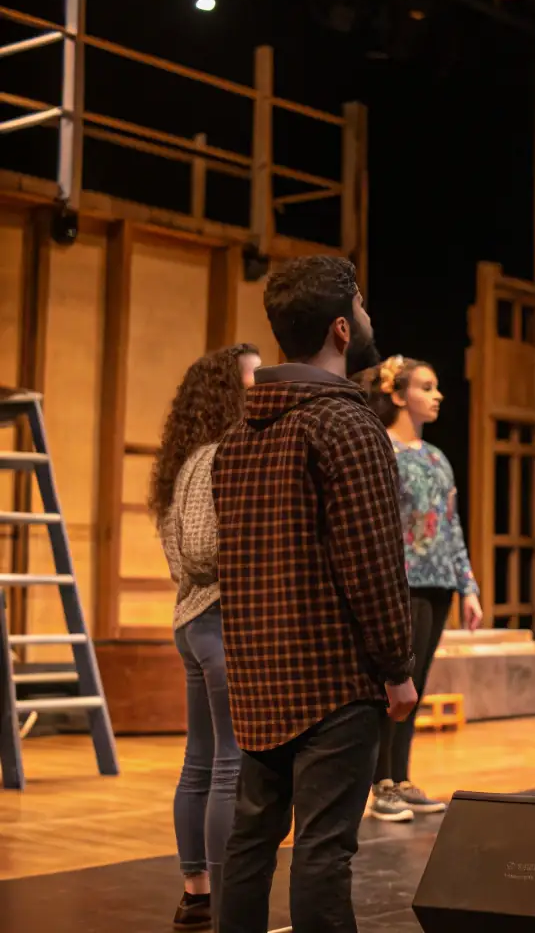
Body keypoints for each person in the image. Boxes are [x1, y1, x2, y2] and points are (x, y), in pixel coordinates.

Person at [212, 255, 417, 933]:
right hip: (331, 679)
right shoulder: (347, 425)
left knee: (250, 842)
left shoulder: (238, 437)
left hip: (259, 679)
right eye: (361, 308)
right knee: (325, 853)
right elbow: (372, 563)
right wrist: (396, 667)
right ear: (339, 328)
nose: (368, 319)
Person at [151, 342, 261, 932]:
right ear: (227, 390)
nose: (262, 385)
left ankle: (198, 894)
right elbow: (199, 551)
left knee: (201, 762)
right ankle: (225, 904)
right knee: (228, 765)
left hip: (193, 624)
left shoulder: (186, 457)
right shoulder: (217, 456)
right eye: (253, 378)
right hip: (217, 621)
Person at [353, 354, 484, 822]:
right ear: (397, 394)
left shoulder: (436, 458)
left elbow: (450, 526)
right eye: (426, 388)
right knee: (394, 684)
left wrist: (467, 586)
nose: (436, 396)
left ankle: (401, 777)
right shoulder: (382, 451)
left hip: (438, 582)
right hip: (401, 582)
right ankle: (379, 781)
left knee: (418, 685)